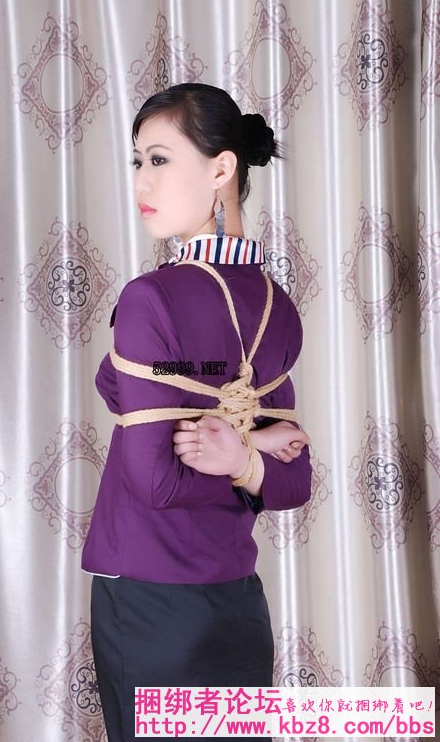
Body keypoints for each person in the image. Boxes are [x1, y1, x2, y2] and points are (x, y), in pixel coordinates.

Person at [81, 82, 312, 742]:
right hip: (238, 600)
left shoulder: (152, 299)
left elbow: (156, 482)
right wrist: (247, 455)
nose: (141, 181)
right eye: (137, 161)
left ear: (221, 168)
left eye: (159, 159)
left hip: (151, 600)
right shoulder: (276, 304)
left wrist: (233, 448)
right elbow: (291, 476)